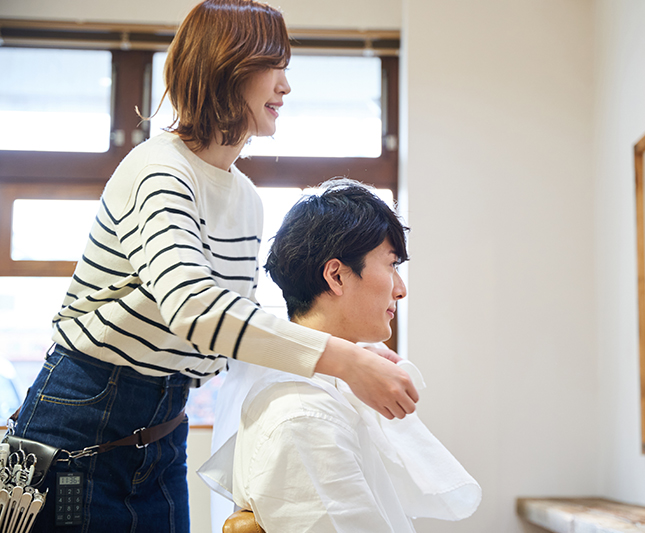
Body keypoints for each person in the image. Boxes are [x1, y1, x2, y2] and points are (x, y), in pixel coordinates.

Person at [11, 2, 417, 531]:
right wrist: (348, 362)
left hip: (165, 427)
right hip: (86, 415)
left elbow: (233, 329)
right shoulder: (160, 170)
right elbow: (197, 311)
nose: (286, 87)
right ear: (228, 68)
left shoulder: (245, 197)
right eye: (274, 67)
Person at [199, 180, 481, 532]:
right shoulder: (304, 414)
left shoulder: (325, 391)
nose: (401, 289)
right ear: (336, 276)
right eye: (392, 265)